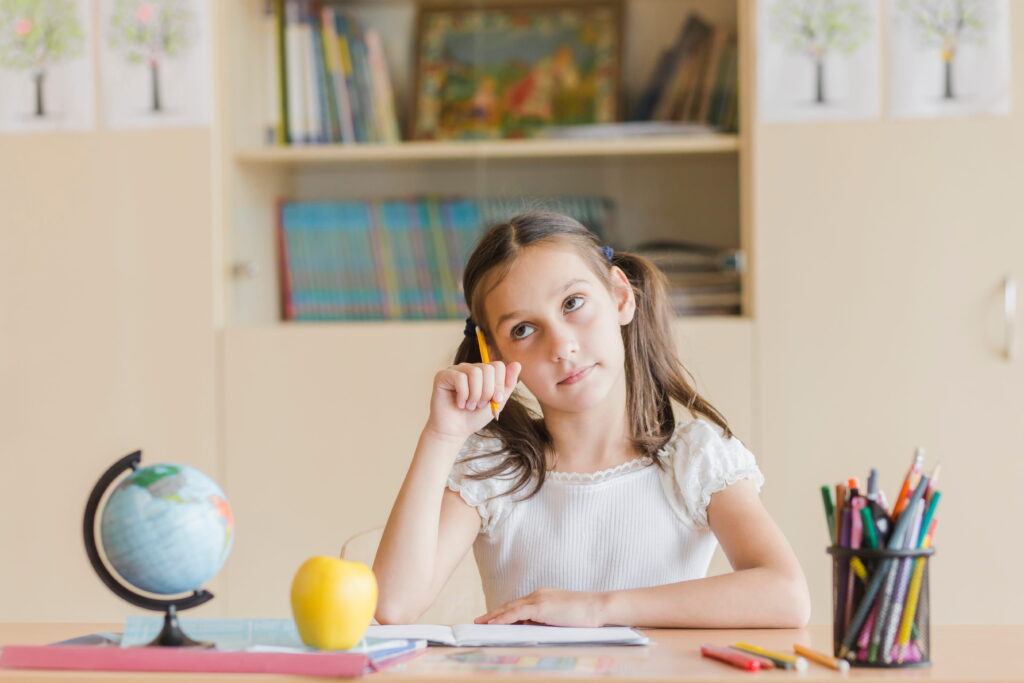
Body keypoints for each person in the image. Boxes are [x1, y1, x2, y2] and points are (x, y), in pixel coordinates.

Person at [372, 211, 810, 628]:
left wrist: (599, 608)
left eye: (573, 303)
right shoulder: (495, 470)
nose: (561, 346)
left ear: (620, 295)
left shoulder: (695, 460)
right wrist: (442, 435)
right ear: (495, 354)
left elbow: (785, 595)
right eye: (523, 329)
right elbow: (394, 605)